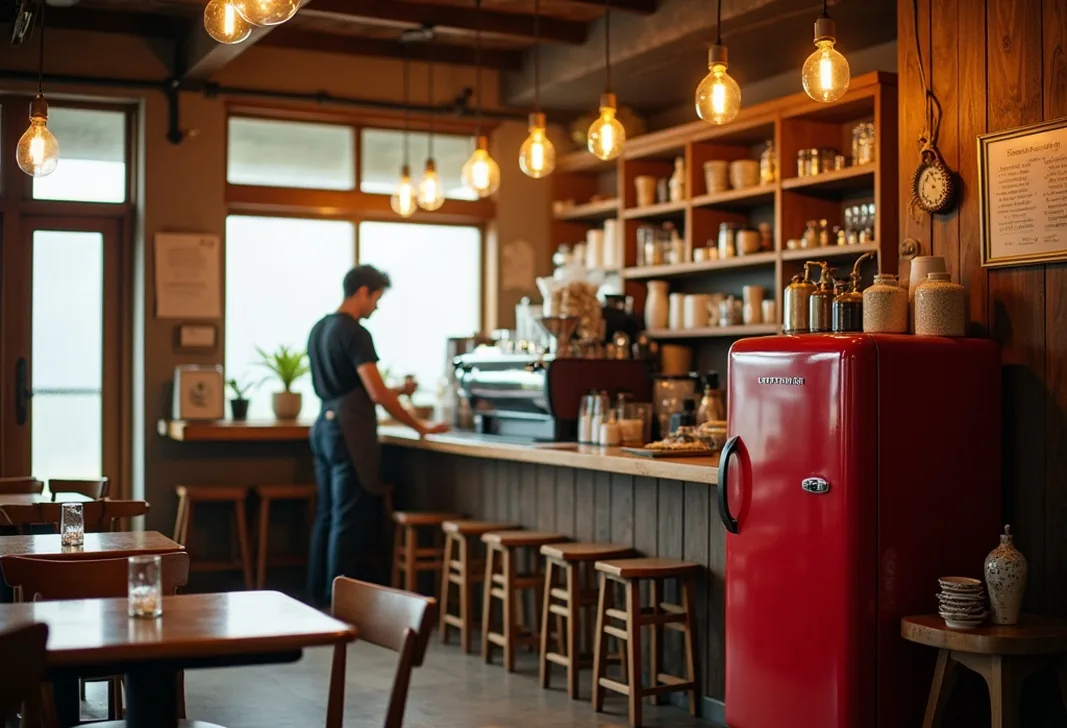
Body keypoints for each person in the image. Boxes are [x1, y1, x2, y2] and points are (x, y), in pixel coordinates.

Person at [306, 264, 449, 607]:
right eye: (377, 298)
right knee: (345, 517)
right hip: (348, 434)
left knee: (327, 513)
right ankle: (338, 600)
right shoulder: (356, 333)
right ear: (362, 292)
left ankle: (316, 594)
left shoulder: (319, 328)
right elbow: (376, 393)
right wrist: (421, 426)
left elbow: (350, 386)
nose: (377, 307)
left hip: (323, 427)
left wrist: (396, 388)